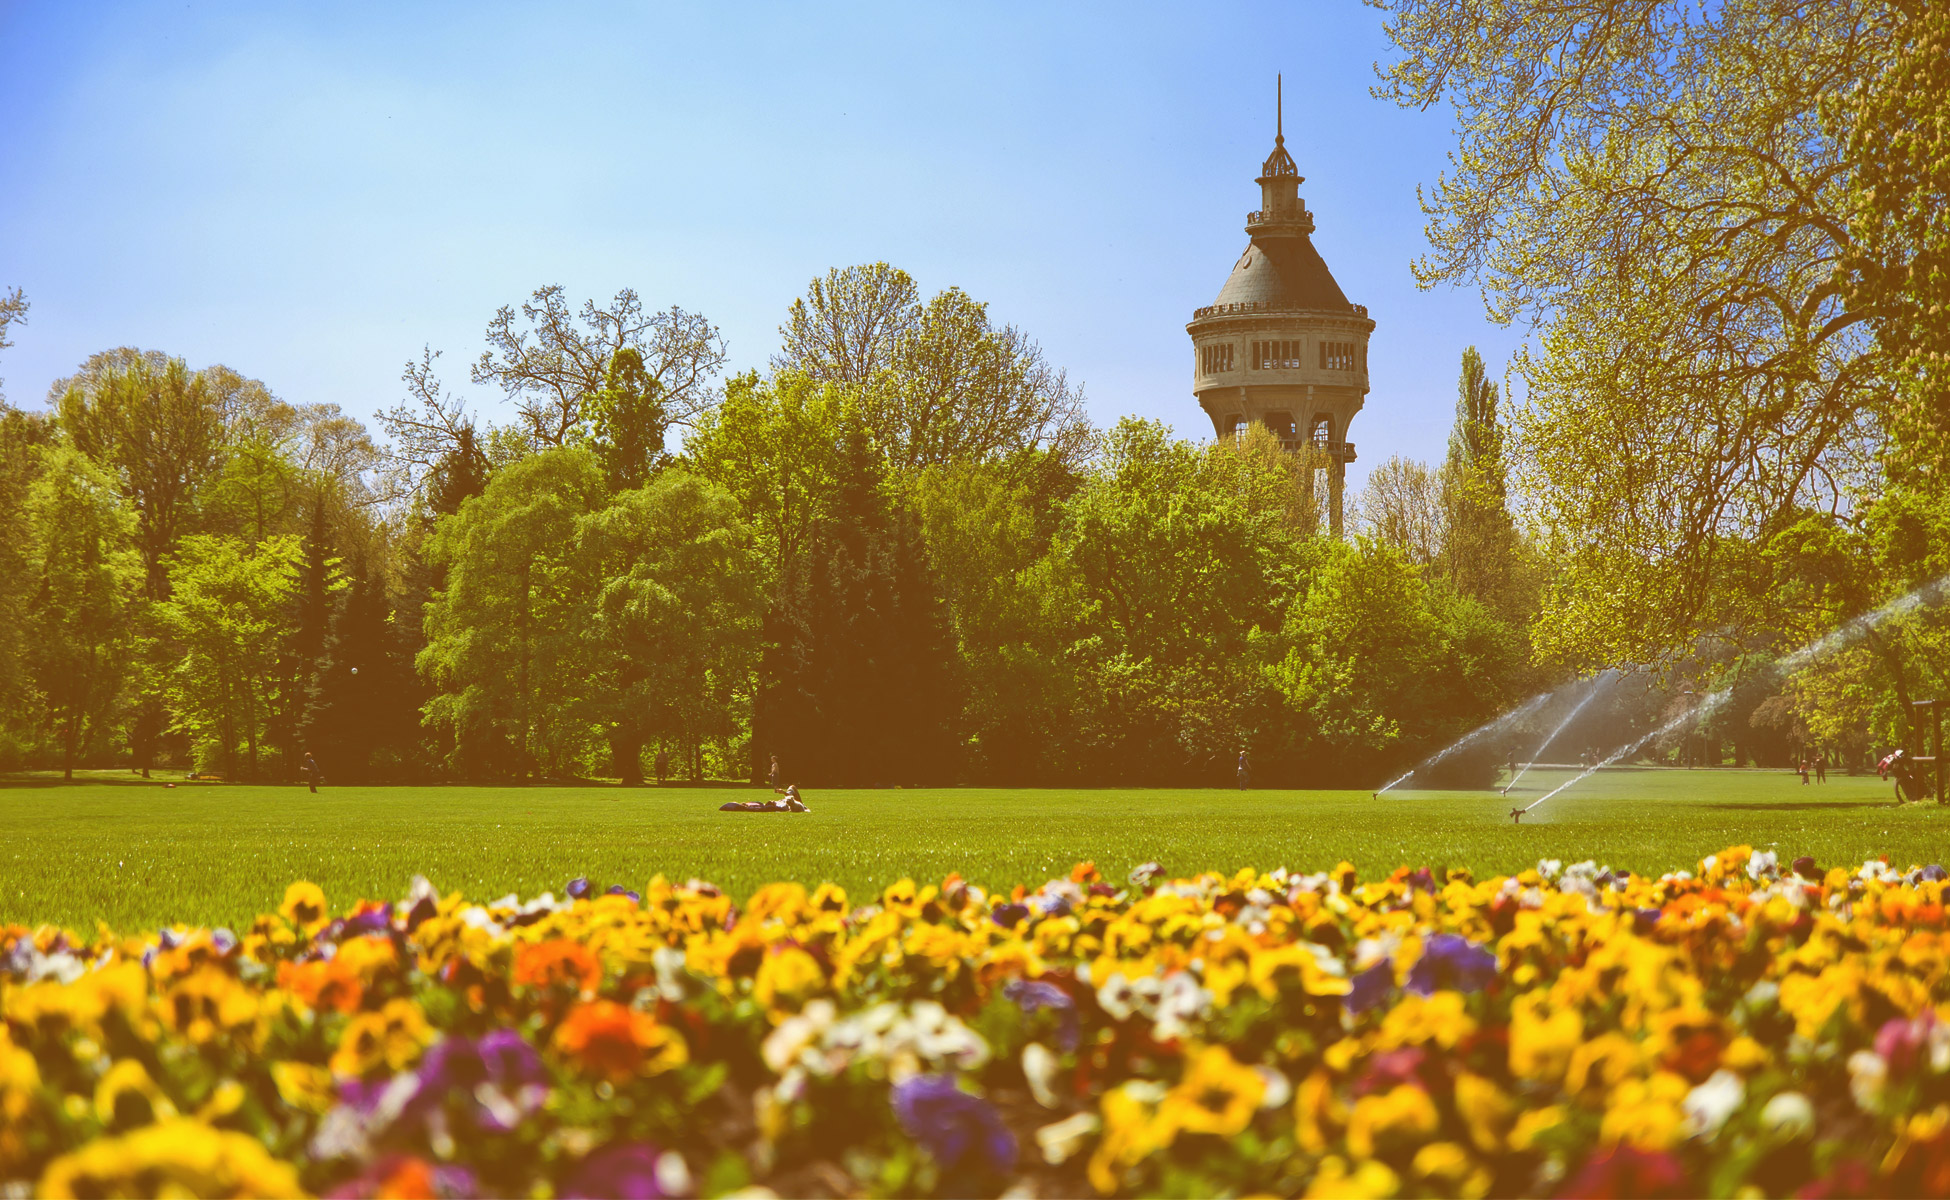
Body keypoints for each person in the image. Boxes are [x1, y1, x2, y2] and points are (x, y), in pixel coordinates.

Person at [719, 783, 810, 813]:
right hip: (778, 804)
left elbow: (791, 796)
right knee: (792, 788)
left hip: (779, 805)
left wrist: (784, 793)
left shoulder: (795, 803)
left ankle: (743, 806)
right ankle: (743, 806)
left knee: (792, 788)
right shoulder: (792, 801)